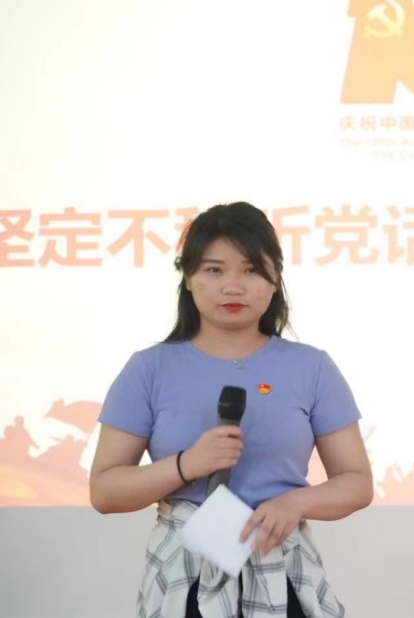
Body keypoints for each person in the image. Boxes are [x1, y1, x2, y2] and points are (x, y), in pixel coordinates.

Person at [90, 202, 373, 618]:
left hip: (282, 572)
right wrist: (186, 465)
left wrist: (295, 503)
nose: (233, 286)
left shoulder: (311, 367)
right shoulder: (149, 368)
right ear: (188, 278)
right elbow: (105, 491)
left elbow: (357, 482)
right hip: (185, 574)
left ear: (275, 280)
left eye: (252, 270)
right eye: (214, 270)